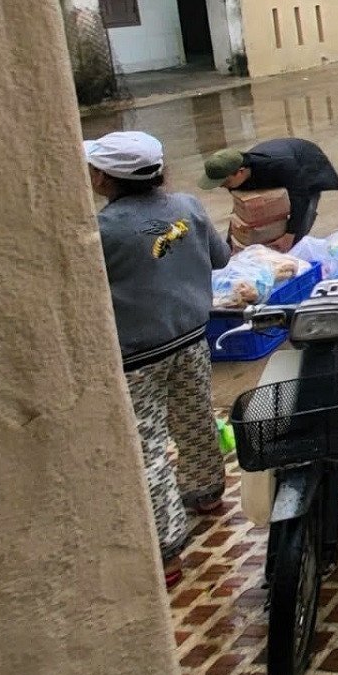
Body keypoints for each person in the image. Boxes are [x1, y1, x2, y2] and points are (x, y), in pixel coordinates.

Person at [83, 130, 228, 588]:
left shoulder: (102, 233)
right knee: (195, 418)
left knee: (148, 449)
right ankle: (207, 494)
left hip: (136, 356)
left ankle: (166, 549)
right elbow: (220, 259)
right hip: (190, 337)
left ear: (104, 178)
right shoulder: (188, 207)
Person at [200, 137, 338, 252]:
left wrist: (290, 235)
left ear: (241, 171)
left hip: (306, 166)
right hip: (280, 171)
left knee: (297, 230)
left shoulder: (280, 164)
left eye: (225, 183)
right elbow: (238, 212)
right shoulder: (234, 175)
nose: (224, 187)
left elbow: (300, 198)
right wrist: (231, 244)